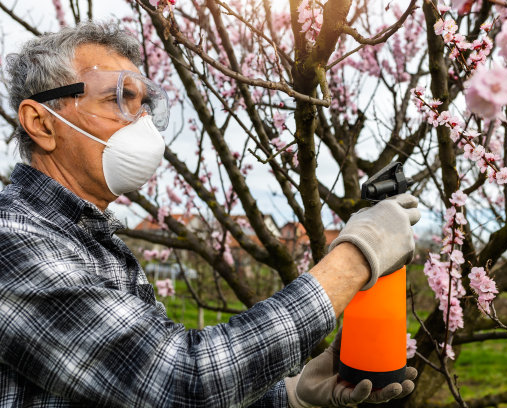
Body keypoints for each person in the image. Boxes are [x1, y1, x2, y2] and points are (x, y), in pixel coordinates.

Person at [0, 22, 421, 407]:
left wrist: (293, 394)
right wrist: (354, 259)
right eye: (118, 98)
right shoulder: (12, 240)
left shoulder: (93, 243)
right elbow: (179, 382)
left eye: (144, 104)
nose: (142, 123)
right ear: (41, 123)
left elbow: (140, 386)